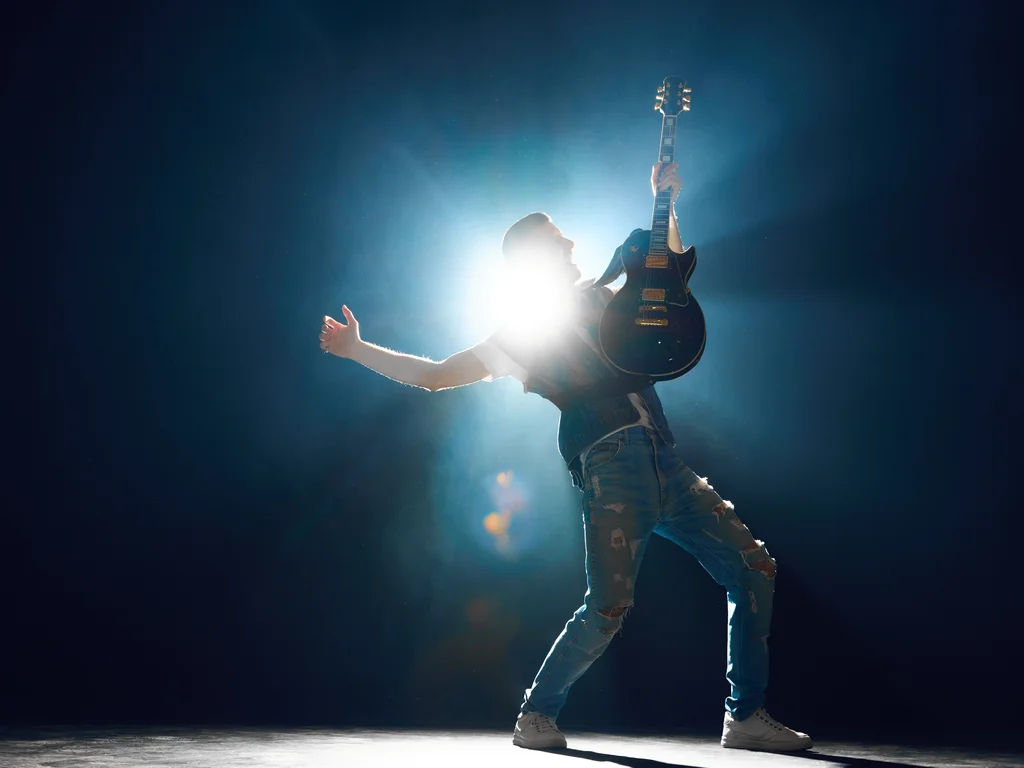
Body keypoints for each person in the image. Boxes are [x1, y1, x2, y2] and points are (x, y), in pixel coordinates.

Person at [318, 162, 813, 753]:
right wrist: (356, 349)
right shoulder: (523, 334)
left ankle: (745, 716)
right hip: (610, 466)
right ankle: (535, 717)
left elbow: (666, 274)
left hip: (665, 461)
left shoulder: (606, 295)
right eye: (557, 239)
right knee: (607, 606)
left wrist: (665, 200)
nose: (572, 242)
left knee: (754, 567)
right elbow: (434, 376)